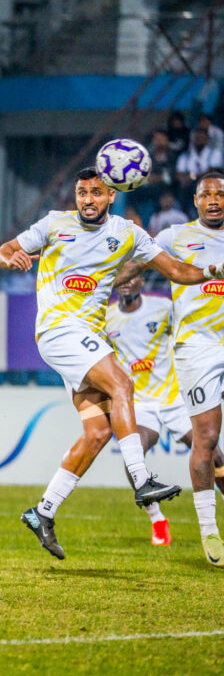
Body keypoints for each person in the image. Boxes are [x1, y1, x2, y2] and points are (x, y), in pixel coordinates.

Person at [0, 166, 224, 560]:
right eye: (82, 192)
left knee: (97, 433)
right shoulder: (54, 224)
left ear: (111, 196)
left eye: (96, 193)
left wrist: (211, 270)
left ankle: (43, 511)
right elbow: (3, 250)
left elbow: (176, 271)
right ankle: (141, 479)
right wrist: (11, 258)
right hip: (58, 329)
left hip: (88, 338)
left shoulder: (127, 234)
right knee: (123, 383)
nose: (87, 199)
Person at [105, 262, 206, 546]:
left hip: (174, 399)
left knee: (214, 455)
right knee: (132, 456)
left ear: (141, 281)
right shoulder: (107, 318)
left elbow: (191, 334)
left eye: (131, 277)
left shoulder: (162, 308)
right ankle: (157, 519)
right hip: (140, 404)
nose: (126, 283)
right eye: (120, 279)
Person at [154, 170, 224, 566]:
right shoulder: (175, 236)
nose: (214, 199)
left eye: (221, 194)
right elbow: (135, 259)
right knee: (208, 438)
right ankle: (210, 532)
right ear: (195, 201)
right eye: (206, 194)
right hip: (197, 346)